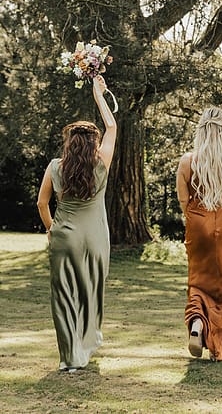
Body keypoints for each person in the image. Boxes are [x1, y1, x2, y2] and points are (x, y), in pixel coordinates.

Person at [36, 75, 117, 372]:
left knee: (63, 294)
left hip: (63, 237)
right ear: (93, 143)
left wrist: (50, 228)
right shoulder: (101, 164)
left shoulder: (55, 167)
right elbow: (112, 126)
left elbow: (42, 203)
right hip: (95, 237)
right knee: (90, 290)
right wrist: (100, 94)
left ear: (69, 143)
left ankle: (69, 358)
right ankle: (85, 344)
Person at [176, 70, 222, 362]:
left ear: (201, 130)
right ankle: (217, 346)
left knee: (199, 282)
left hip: (198, 221)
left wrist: (198, 223)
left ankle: (197, 322)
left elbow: (184, 201)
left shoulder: (187, 161)